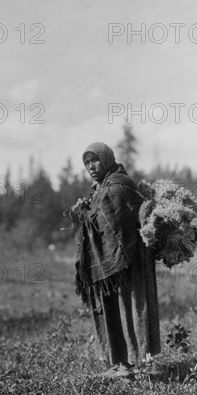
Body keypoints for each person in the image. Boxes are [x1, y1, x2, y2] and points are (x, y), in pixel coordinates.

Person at [69, 142, 161, 379]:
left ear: (107, 159)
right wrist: (87, 210)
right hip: (110, 264)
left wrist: (86, 215)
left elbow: (113, 223)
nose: (91, 166)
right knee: (110, 309)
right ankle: (118, 363)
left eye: (95, 160)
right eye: (87, 162)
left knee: (127, 308)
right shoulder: (101, 188)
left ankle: (130, 364)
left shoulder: (120, 185)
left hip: (127, 263)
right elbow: (99, 219)